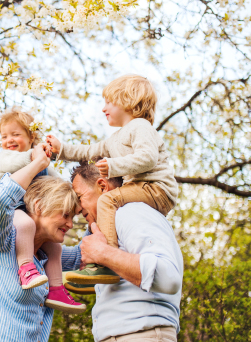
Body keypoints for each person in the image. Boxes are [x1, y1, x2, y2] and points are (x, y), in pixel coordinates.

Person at [48, 74, 179, 284]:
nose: (103, 108)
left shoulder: (141, 127)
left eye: (108, 102)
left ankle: (104, 263)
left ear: (128, 100)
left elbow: (148, 158)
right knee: (110, 205)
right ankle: (101, 267)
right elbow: (88, 151)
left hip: (157, 188)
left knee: (107, 200)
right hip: (141, 187)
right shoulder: (115, 138)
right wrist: (61, 149)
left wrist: (114, 166)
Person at [0, 144, 84, 342]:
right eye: (65, 215)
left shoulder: (47, 257)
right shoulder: (2, 239)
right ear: (38, 206)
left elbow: (83, 255)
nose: (70, 224)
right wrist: (38, 163)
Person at [61, 161, 183, 342]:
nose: (77, 209)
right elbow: (73, 257)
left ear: (102, 186)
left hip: (141, 335)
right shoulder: (108, 228)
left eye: (79, 197)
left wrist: (103, 254)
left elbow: (169, 276)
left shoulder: (130, 212)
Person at [0, 108, 82, 312]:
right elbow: (14, 162)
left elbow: (56, 180)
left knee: (55, 247)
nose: (9, 140)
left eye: (16, 134)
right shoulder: (7, 157)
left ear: (31, 136)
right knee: (26, 224)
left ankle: (56, 288)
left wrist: (76, 200)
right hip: (14, 208)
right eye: (4, 136)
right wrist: (34, 156)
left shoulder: (40, 161)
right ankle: (26, 267)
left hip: (33, 210)